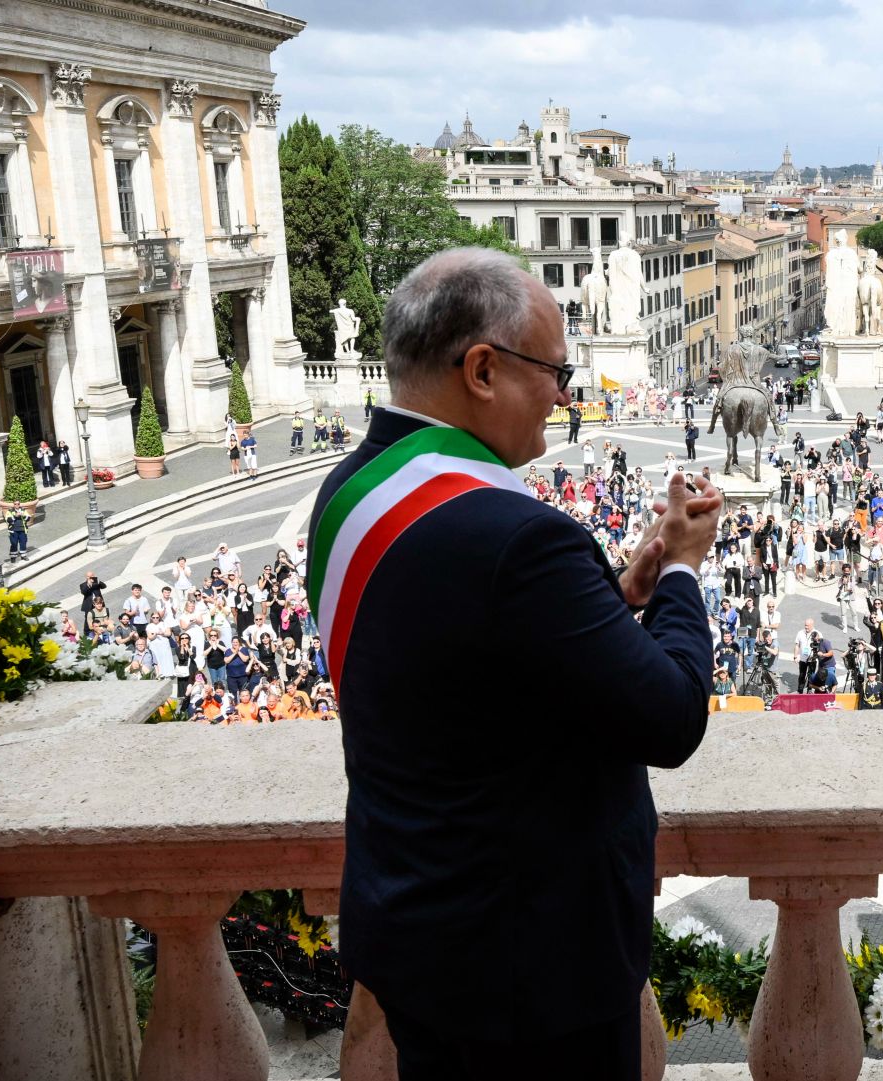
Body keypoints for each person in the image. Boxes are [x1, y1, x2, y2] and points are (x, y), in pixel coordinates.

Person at [308, 248, 720, 1077]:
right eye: (556, 371)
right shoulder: (517, 538)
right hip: (530, 971)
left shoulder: (352, 488)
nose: (566, 395)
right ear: (483, 370)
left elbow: (472, 659)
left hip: (418, 931)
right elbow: (672, 716)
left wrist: (615, 593)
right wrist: (680, 568)